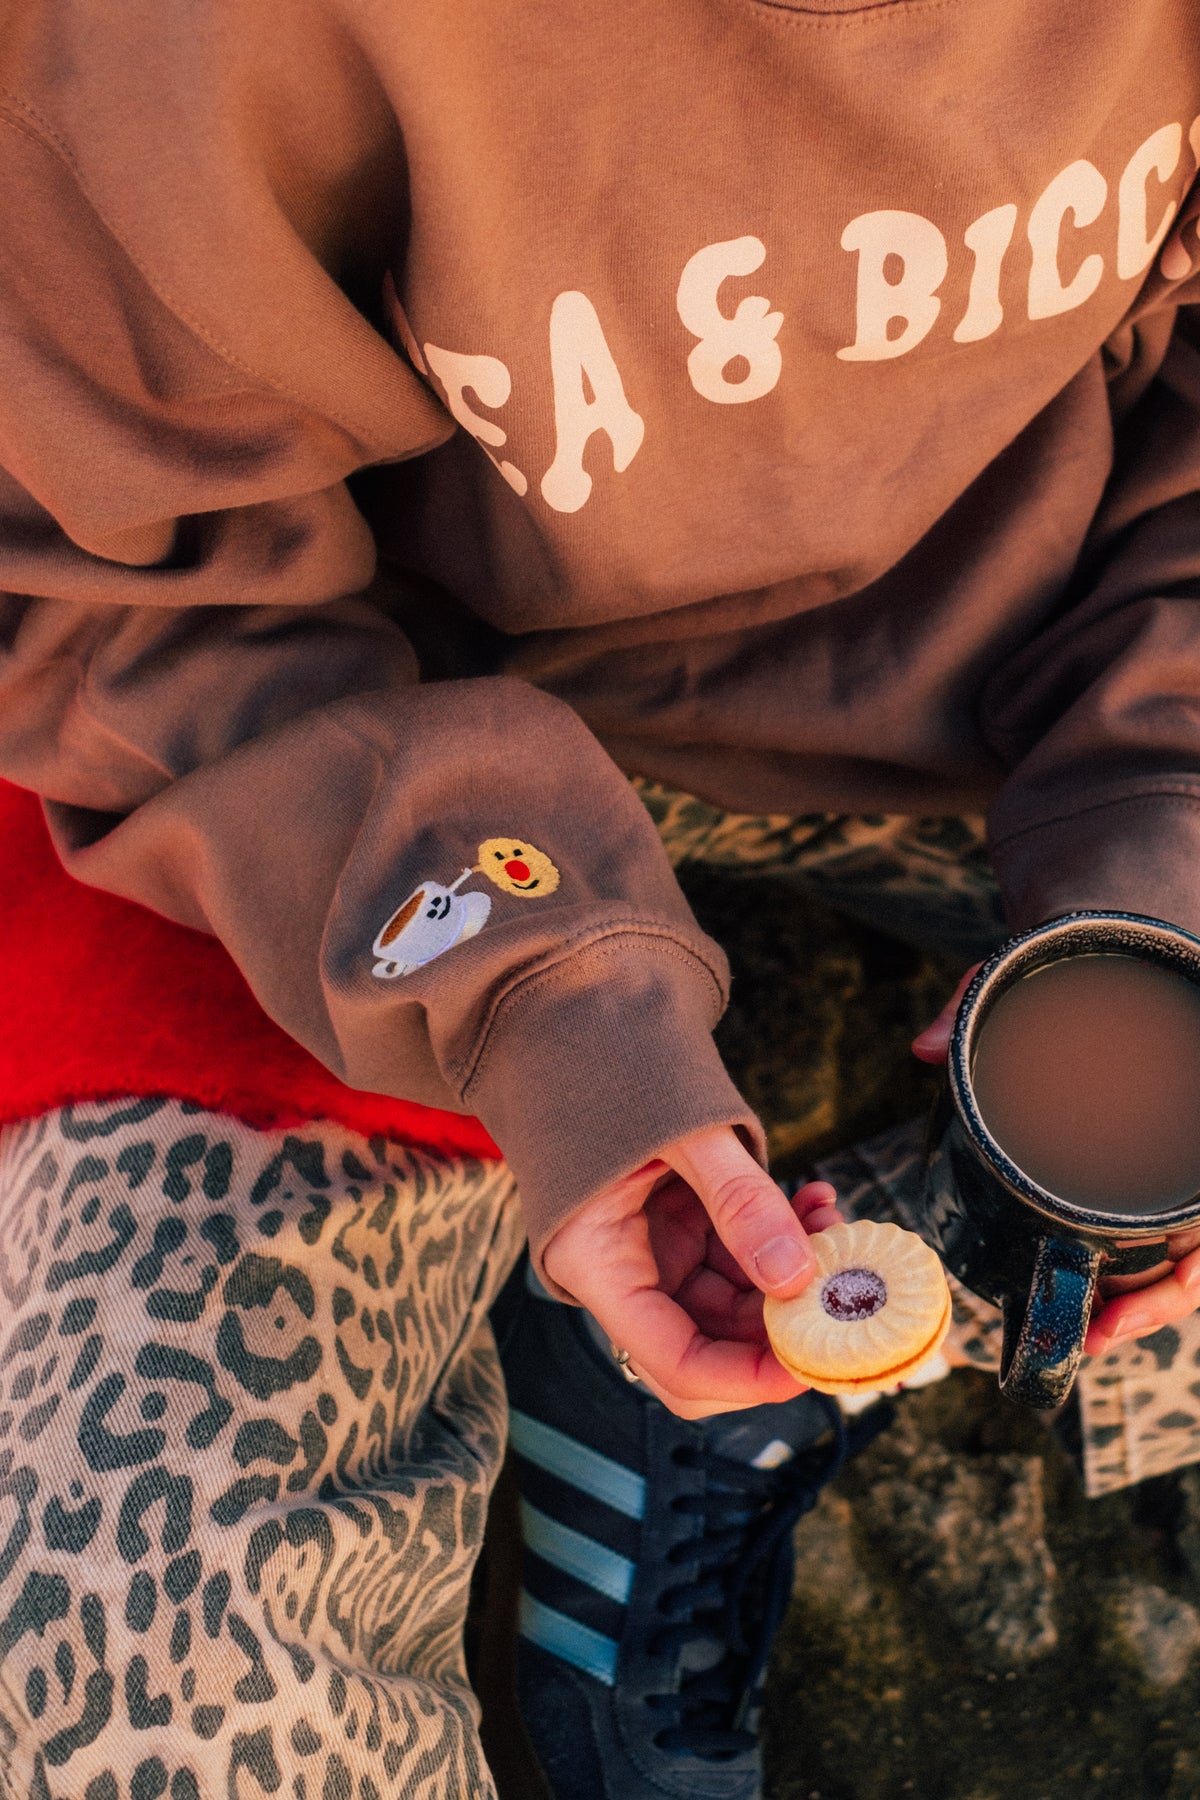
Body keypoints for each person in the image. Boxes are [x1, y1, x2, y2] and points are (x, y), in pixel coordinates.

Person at [0, 1, 1198, 1793]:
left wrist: (1152, 911)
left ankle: (914, 1293)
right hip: (363, 813)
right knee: (128, 1686)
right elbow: (124, 601)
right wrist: (551, 1015)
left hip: (1058, 696)